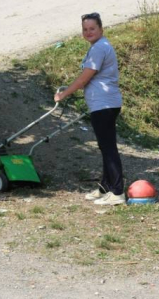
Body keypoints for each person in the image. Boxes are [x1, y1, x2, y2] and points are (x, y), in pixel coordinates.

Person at [54, 12, 125, 206]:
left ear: (101, 29)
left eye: (92, 28)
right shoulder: (99, 46)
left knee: (109, 147)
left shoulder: (100, 48)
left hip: (105, 105)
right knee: (105, 146)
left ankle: (117, 192)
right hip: (101, 104)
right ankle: (105, 187)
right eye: (85, 29)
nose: (88, 32)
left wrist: (63, 94)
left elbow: (85, 78)